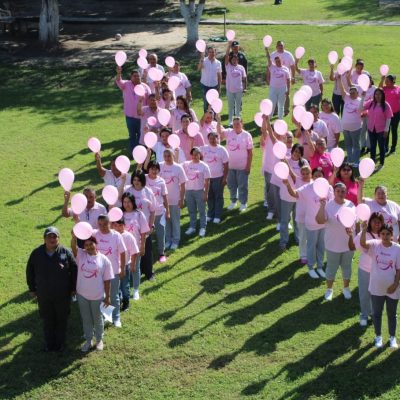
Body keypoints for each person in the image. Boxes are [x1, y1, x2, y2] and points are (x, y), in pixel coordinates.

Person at [26, 227, 78, 352]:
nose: (52, 239)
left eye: (55, 236)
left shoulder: (66, 252)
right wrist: (32, 289)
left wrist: (73, 288)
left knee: (62, 319)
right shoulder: (36, 253)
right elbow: (30, 271)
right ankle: (49, 344)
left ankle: (60, 344)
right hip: (44, 294)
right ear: (44, 239)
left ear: (58, 238)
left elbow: (75, 269)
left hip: (63, 294)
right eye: (49, 236)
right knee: (48, 320)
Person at [285, 167, 331, 278]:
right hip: (311, 224)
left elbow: (332, 203)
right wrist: (287, 184)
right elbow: (294, 194)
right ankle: (311, 267)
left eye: (320, 175)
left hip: (324, 223)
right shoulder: (307, 188)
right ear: (312, 177)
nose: (317, 178)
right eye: (315, 176)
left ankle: (319, 267)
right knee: (311, 246)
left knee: (321, 246)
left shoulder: (328, 188)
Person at [360, 223, 400, 348]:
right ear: (380, 234)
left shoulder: (397, 248)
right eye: (383, 234)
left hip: (392, 288)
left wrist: (395, 284)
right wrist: (364, 230)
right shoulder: (375, 245)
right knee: (377, 313)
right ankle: (378, 337)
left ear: (392, 235)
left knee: (392, 314)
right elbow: (363, 244)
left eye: (388, 234)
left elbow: (399, 269)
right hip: (376, 287)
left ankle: (392, 338)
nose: (385, 236)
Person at [71, 234, 113, 352]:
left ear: (96, 244)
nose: (89, 247)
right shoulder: (81, 255)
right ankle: (89, 340)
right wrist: (74, 237)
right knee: (86, 319)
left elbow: (107, 280)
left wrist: (107, 297)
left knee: (97, 318)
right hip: (82, 295)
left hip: (97, 296)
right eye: (86, 245)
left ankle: (99, 340)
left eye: (91, 244)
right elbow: (74, 247)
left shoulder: (104, 260)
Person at [316, 182, 355, 301]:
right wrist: (322, 206)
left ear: (346, 192)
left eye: (343, 191)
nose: (340, 193)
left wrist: (354, 235)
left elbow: (355, 222)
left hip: (347, 244)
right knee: (331, 268)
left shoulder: (351, 204)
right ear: (334, 192)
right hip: (332, 244)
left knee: (347, 267)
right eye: (338, 191)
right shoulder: (328, 205)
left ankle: (346, 288)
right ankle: (329, 289)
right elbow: (319, 220)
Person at [348, 212, 384, 326]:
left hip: (380, 271)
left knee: (377, 294)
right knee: (364, 294)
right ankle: (364, 314)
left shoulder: (385, 234)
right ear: (370, 222)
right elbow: (353, 246)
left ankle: (374, 314)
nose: (377, 224)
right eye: (374, 221)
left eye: (379, 222)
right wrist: (360, 231)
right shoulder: (364, 233)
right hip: (365, 269)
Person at [120, 171, 156, 281]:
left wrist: (151, 225)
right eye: (134, 179)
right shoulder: (128, 190)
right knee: (132, 252)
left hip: (144, 227)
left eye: (138, 180)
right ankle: (136, 273)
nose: (136, 182)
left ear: (142, 180)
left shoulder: (148, 192)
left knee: (146, 251)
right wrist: (122, 181)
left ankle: (149, 273)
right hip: (130, 227)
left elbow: (153, 210)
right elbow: (119, 197)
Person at [93, 215, 126, 328]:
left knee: (113, 295)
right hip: (98, 272)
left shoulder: (116, 236)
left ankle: (116, 318)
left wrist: (122, 268)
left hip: (114, 271)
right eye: (100, 224)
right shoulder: (95, 234)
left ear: (110, 224)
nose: (102, 227)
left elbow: (122, 253)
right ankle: (106, 317)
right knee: (102, 295)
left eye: (104, 224)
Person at [217, 116, 253, 212]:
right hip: (230, 166)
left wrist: (248, 166)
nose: (236, 125)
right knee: (231, 185)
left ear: (242, 123)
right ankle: (233, 201)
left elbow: (250, 152)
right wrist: (219, 121)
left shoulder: (247, 135)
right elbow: (219, 133)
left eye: (238, 123)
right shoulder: (229, 132)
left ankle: (243, 203)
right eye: (234, 124)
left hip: (242, 167)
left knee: (242, 186)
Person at [278, 144, 308, 250]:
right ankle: (283, 241)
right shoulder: (285, 161)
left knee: (298, 219)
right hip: (286, 196)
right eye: (295, 151)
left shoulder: (304, 163)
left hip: (299, 196)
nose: (296, 153)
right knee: (285, 220)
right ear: (292, 151)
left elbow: (303, 179)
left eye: (299, 152)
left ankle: (298, 238)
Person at [115, 67, 151, 153]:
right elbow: (118, 81)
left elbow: (150, 100)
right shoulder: (126, 84)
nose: (137, 77)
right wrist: (119, 73)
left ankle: (140, 153)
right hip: (130, 117)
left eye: (138, 76)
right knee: (132, 136)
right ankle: (133, 152)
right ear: (131, 77)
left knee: (141, 135)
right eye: (134, 76)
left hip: (141, 117)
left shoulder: (145, 87)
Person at [121, 193, 149, 300]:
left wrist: (142, 246)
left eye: (129, 202)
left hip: (135, 246)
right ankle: (124, 289)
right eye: (124, 202)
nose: (127, 204)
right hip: (122, 247)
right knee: (123, 268)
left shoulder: (139, 214)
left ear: (133, 202)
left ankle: (136, 289)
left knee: (135, 268)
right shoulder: (120, 214)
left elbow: (143, 232)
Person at [159, 149, 187, 250]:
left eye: (169, 156)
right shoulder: (160, 166)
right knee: (166, 221)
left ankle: (176, 240)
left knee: (175, 221)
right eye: (165, 156)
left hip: (175, 199)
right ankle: (168, 240)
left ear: (173, 156)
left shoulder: (178, 168)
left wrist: (182, 198)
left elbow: (183, 184)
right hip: (163, 200)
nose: (167, 158)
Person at [111, 219, 139, 311]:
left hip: (125, 265)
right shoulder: (112, 236)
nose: (118, 228)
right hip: (114, 266)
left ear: (124, 225)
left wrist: (133, 265)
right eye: (116, 226)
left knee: (124, 286)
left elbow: (134, 252)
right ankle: (118, 302)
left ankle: (126, 303)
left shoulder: (129, 236)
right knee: (116, 286)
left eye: (120, 225)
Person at [201, 131, 229, 223]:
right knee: (209, 196)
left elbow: (226, 165)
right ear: (208, 139)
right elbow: (195, 156)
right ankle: (210, 214)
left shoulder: (222, 150)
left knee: (218, 197)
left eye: (214, 138)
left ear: (218, 139)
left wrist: (225, 178)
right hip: (207, 178)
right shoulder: (204, 149)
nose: (213, 140)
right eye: (211, 138)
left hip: (218, 177)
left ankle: (217, 215)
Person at [183, 147, 211, 237]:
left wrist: (206, 193)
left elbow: (207, 181)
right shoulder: (186, 164)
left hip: (199, 191)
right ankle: (192, 227)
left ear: (200, 155)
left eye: (197, 154)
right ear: (191, 155)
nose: (195, 156)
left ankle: (203, 227)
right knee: (191, 211)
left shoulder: (204, 166)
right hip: (189, 191)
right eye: (193, 154)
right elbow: (176, 164)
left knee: (202, 211)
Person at [362, 88, 393, 168]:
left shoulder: (386, 105)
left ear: (383, 95)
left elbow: (388, 118)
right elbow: (361, 108)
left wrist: (386, 130)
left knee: (381, 146)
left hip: (381, 130)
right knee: (372, 146)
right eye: (376, 94)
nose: (377, 96)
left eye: (379, 94)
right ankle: (372, 162)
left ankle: (381, 163)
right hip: (371, 129)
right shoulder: (371, 103)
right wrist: (362, 97)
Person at [146, 161, 169, 262]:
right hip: (147, 213)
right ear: (148, 169)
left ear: (158, 170)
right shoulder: (144, 179)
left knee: (160, 233)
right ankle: (147, 253)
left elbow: (165, 196)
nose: (154, 171)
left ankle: (161, 253)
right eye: (152, 168)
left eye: (156, 169)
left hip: (159, 211)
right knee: (147, 234)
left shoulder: (161, 181)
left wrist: (167, 211)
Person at [338, 78, 363, 167]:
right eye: (351, 92)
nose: (352, 94)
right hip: (345, 127)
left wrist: (363, 97)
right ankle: (350, 159)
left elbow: (361, 110)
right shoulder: (347, 98)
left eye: (354, 92)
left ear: (357, 93)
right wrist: (339, 79)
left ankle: (356, 161)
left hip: (356, 128)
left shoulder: (360, 101)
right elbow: (342, 89)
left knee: (356, 145)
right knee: (348, 145)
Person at [225, 41, 247, 125]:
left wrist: (244, 88)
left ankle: (238, 121)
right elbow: (226, 56)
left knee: (238, 107)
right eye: (233, 59)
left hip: (239, 90)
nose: (234, 61)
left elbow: (244, 78)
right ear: (231, 60)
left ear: (237, 60)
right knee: (231, 107)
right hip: (230, 90)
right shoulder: (228, 66)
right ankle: (230, 122)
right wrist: (228, 46)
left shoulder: (241, 68)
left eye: (236, 59)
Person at [270, 40, 295, 115]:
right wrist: (268, 77)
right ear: (276, 47)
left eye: (282, 45)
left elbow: (293, 66)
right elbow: (268, 66)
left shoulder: (288, 54)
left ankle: (286, 109)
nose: (280, 47)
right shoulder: (273, 54)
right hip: (275, 79)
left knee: (286, 93)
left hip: (286, 78)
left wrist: (293, 77)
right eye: (279, 45)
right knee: (275, 94)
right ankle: (275, 110)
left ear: (284, 46)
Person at [265, 47, 290, 119]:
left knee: (281, 105)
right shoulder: (272, 67)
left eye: (278, 60)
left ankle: (280, 120)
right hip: (273, 88)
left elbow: (288, 80)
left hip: (282, 88)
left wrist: (288, 90)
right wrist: (267, 50)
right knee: (271, 104)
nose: (277, 62)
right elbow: (268, 58)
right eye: (276, 61)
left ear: (281, 60)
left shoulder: (285, 69)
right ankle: (268, 119)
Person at [379, 74, 400, 154]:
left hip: (396, 114)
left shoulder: (398, 89)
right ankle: (386, 147)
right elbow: (379, 88)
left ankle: (393, 148)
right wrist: (382, 80)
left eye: (387, 81)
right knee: (386, 130)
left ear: (392, 82)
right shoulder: (384, 88)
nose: (386, 82)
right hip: (386, 114)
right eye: (385, 80)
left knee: (394, 131)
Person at [198, 46, 222, 112]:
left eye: (213, 52)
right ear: (208, 53)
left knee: (214, 103)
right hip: (204, 86)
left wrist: (219, 87)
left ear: (215, 52)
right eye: (210, 52)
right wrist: (201, 59)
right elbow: (199, 68)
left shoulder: (218, 63)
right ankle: (206, 118)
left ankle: (214, 118)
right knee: (206, 103)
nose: (211, 53)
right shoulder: (204, 60)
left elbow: (219, 76)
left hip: (214, 86)